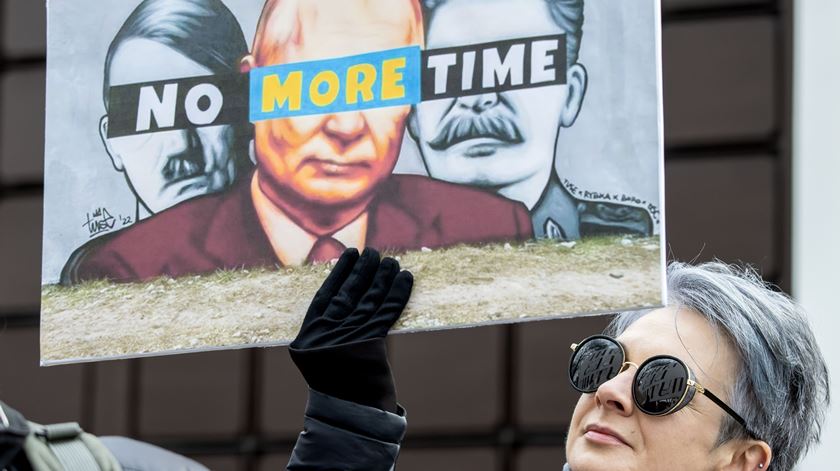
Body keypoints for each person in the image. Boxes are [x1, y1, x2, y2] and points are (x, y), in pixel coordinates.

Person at [62, 0, 532, 285]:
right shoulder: (129, 267)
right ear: (252, 90)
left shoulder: (491, 230)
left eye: (383, 87)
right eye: (315, 87)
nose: (347, 126)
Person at [408, 0, 654, 240]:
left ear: (570, 95)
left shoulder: (622, 239)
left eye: (517, 66)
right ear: (410, 112)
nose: (477, 98)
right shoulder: (385, 251)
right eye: (446, 74)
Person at [97, 0, 253, 220]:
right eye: (148, 115)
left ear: (247, 109)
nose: (180, 145)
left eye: (203, 106)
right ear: (111, 143)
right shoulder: (94, 256)